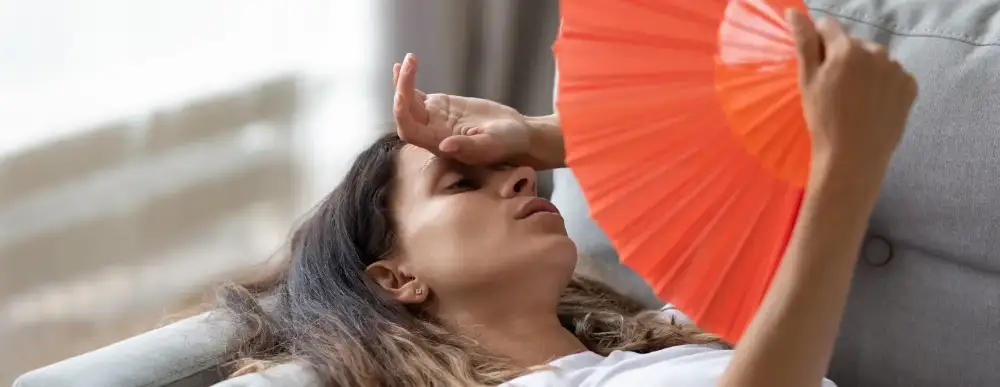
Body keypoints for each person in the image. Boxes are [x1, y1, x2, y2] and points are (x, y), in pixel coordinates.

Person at [220, 11, 917, 387]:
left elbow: (737, 135)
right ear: (397, 276)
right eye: (463, 182)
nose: (523, 177)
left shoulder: (662, 337)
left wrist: (541, 134)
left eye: (518, 169)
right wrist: (846, 171)